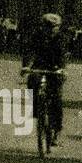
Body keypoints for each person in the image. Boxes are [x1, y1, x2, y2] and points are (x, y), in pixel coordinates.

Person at [24, 13, 67, 143]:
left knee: (57, 98)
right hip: (39, 65)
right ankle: (38, 112)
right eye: (48, 27)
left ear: (58, 27)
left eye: (54, 27)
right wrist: (26, 66)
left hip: (55, 68)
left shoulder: (61, 38)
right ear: (43, 27)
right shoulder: (36, 36)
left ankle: (57, 130)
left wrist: (62, 69)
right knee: (32, 82)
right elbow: (30, 51)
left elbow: (63, 55)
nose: (51, 30)